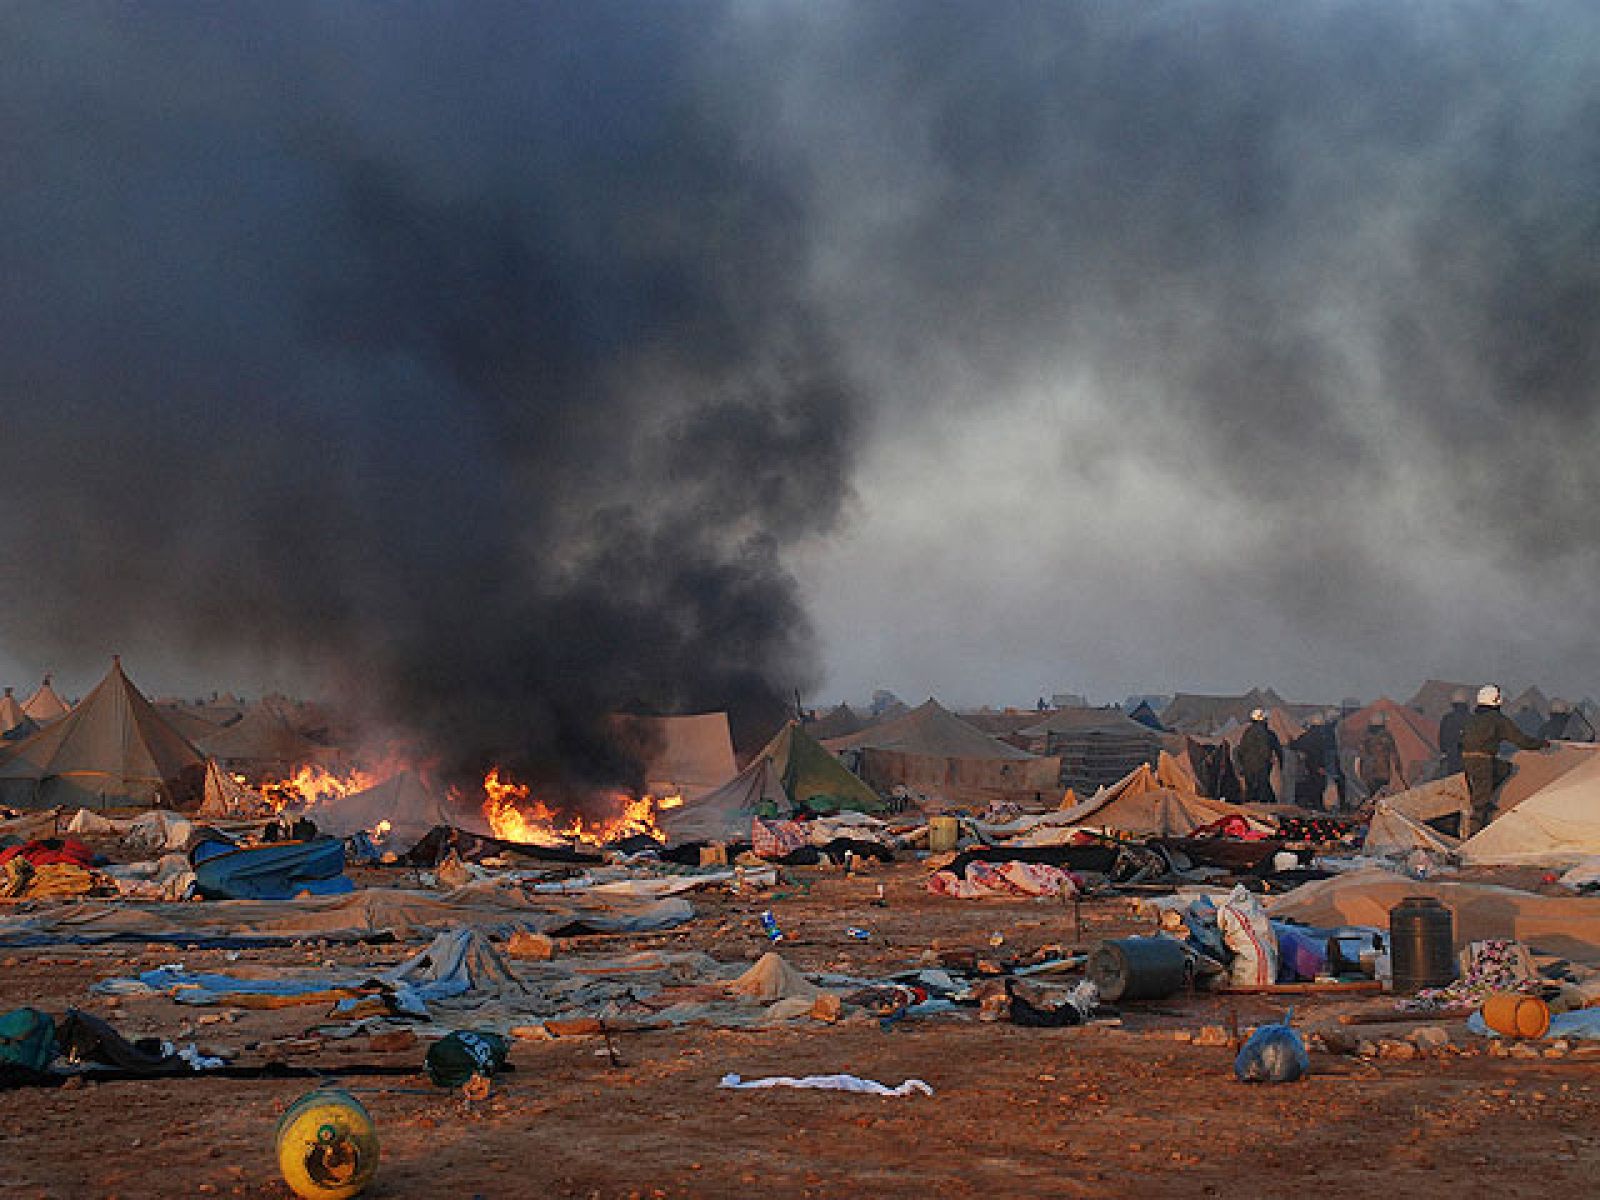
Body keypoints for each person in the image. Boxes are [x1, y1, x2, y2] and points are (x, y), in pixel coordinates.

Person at [1460, 684, 1548, 839]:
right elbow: (1521, 740)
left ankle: (1484, 798)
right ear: (1496, 700)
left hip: (1467, 759)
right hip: (1483, 760)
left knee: (1502, 769)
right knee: (1481, 798)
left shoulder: (1471, 718)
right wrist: (1541, 744)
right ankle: (1474, 836)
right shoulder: (1497, 719)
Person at [1235, 708, 1283, 805]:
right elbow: (1269, 749)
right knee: (1262, 789)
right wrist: (1274, 762)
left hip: (1248, 766)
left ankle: (1251, 808)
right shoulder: (1266, 733)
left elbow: (1240, 750)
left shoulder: (1247, 732)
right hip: (1261, 766)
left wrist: (1241, 766)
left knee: (1252, 790)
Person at [1355, 711, 1406, 800]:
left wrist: (1360, 770)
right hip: (1382, 771)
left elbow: (1360, 754)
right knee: (1381, 794)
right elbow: (1394, 754)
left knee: (1373, 793)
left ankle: (1373, 809)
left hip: (1368, 771)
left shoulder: (1365, 735)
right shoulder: (1386, 735)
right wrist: (1399, 770)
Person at [1290, 714, 1330, 808]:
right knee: (1317, 790)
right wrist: (1320, 767)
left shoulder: (1305, 737)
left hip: (1307, 769)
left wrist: (1291, 742)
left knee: (1306, 789)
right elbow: (1320, 754)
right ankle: (1317, 807)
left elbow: (1294, 746)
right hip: (1316, 768)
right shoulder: (1321, 738)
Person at [1437, 690, 1471, 777]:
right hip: (1470, 761)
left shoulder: (1447, 719)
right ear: (1467, 703)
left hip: (1451, 761)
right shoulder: (1473, 719)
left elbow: (1442, 742)